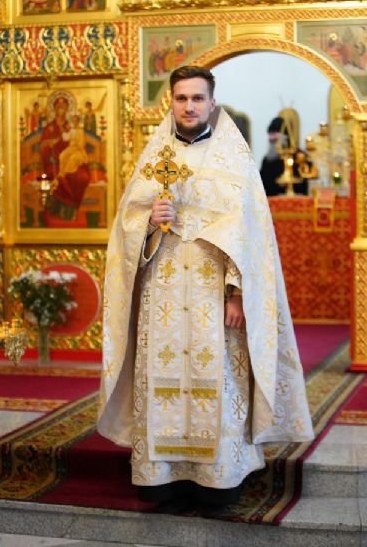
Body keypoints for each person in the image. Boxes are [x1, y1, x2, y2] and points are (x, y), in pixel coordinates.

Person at [97, 66, 313, 506]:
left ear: (212, 103)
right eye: (182, 98)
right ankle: (161, 478)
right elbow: (125, 228)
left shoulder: (234, 160)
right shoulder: (153, 160)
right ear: (171, 102)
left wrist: (237, 293)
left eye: (198, 98)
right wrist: (148, 223)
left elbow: (250, 234)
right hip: (161, 292)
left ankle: (218, 480)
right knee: (161, 377)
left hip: (214, 295)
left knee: (218, 380)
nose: (190, 106)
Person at [260, 116, 308, 196]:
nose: (271, 138)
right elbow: (261, 186)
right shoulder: (266, 160)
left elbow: (305, 183)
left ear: (285, 136)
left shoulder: (299, 157)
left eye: (274, 133)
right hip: (272, 201)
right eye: (270, 134)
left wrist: (289, 183)